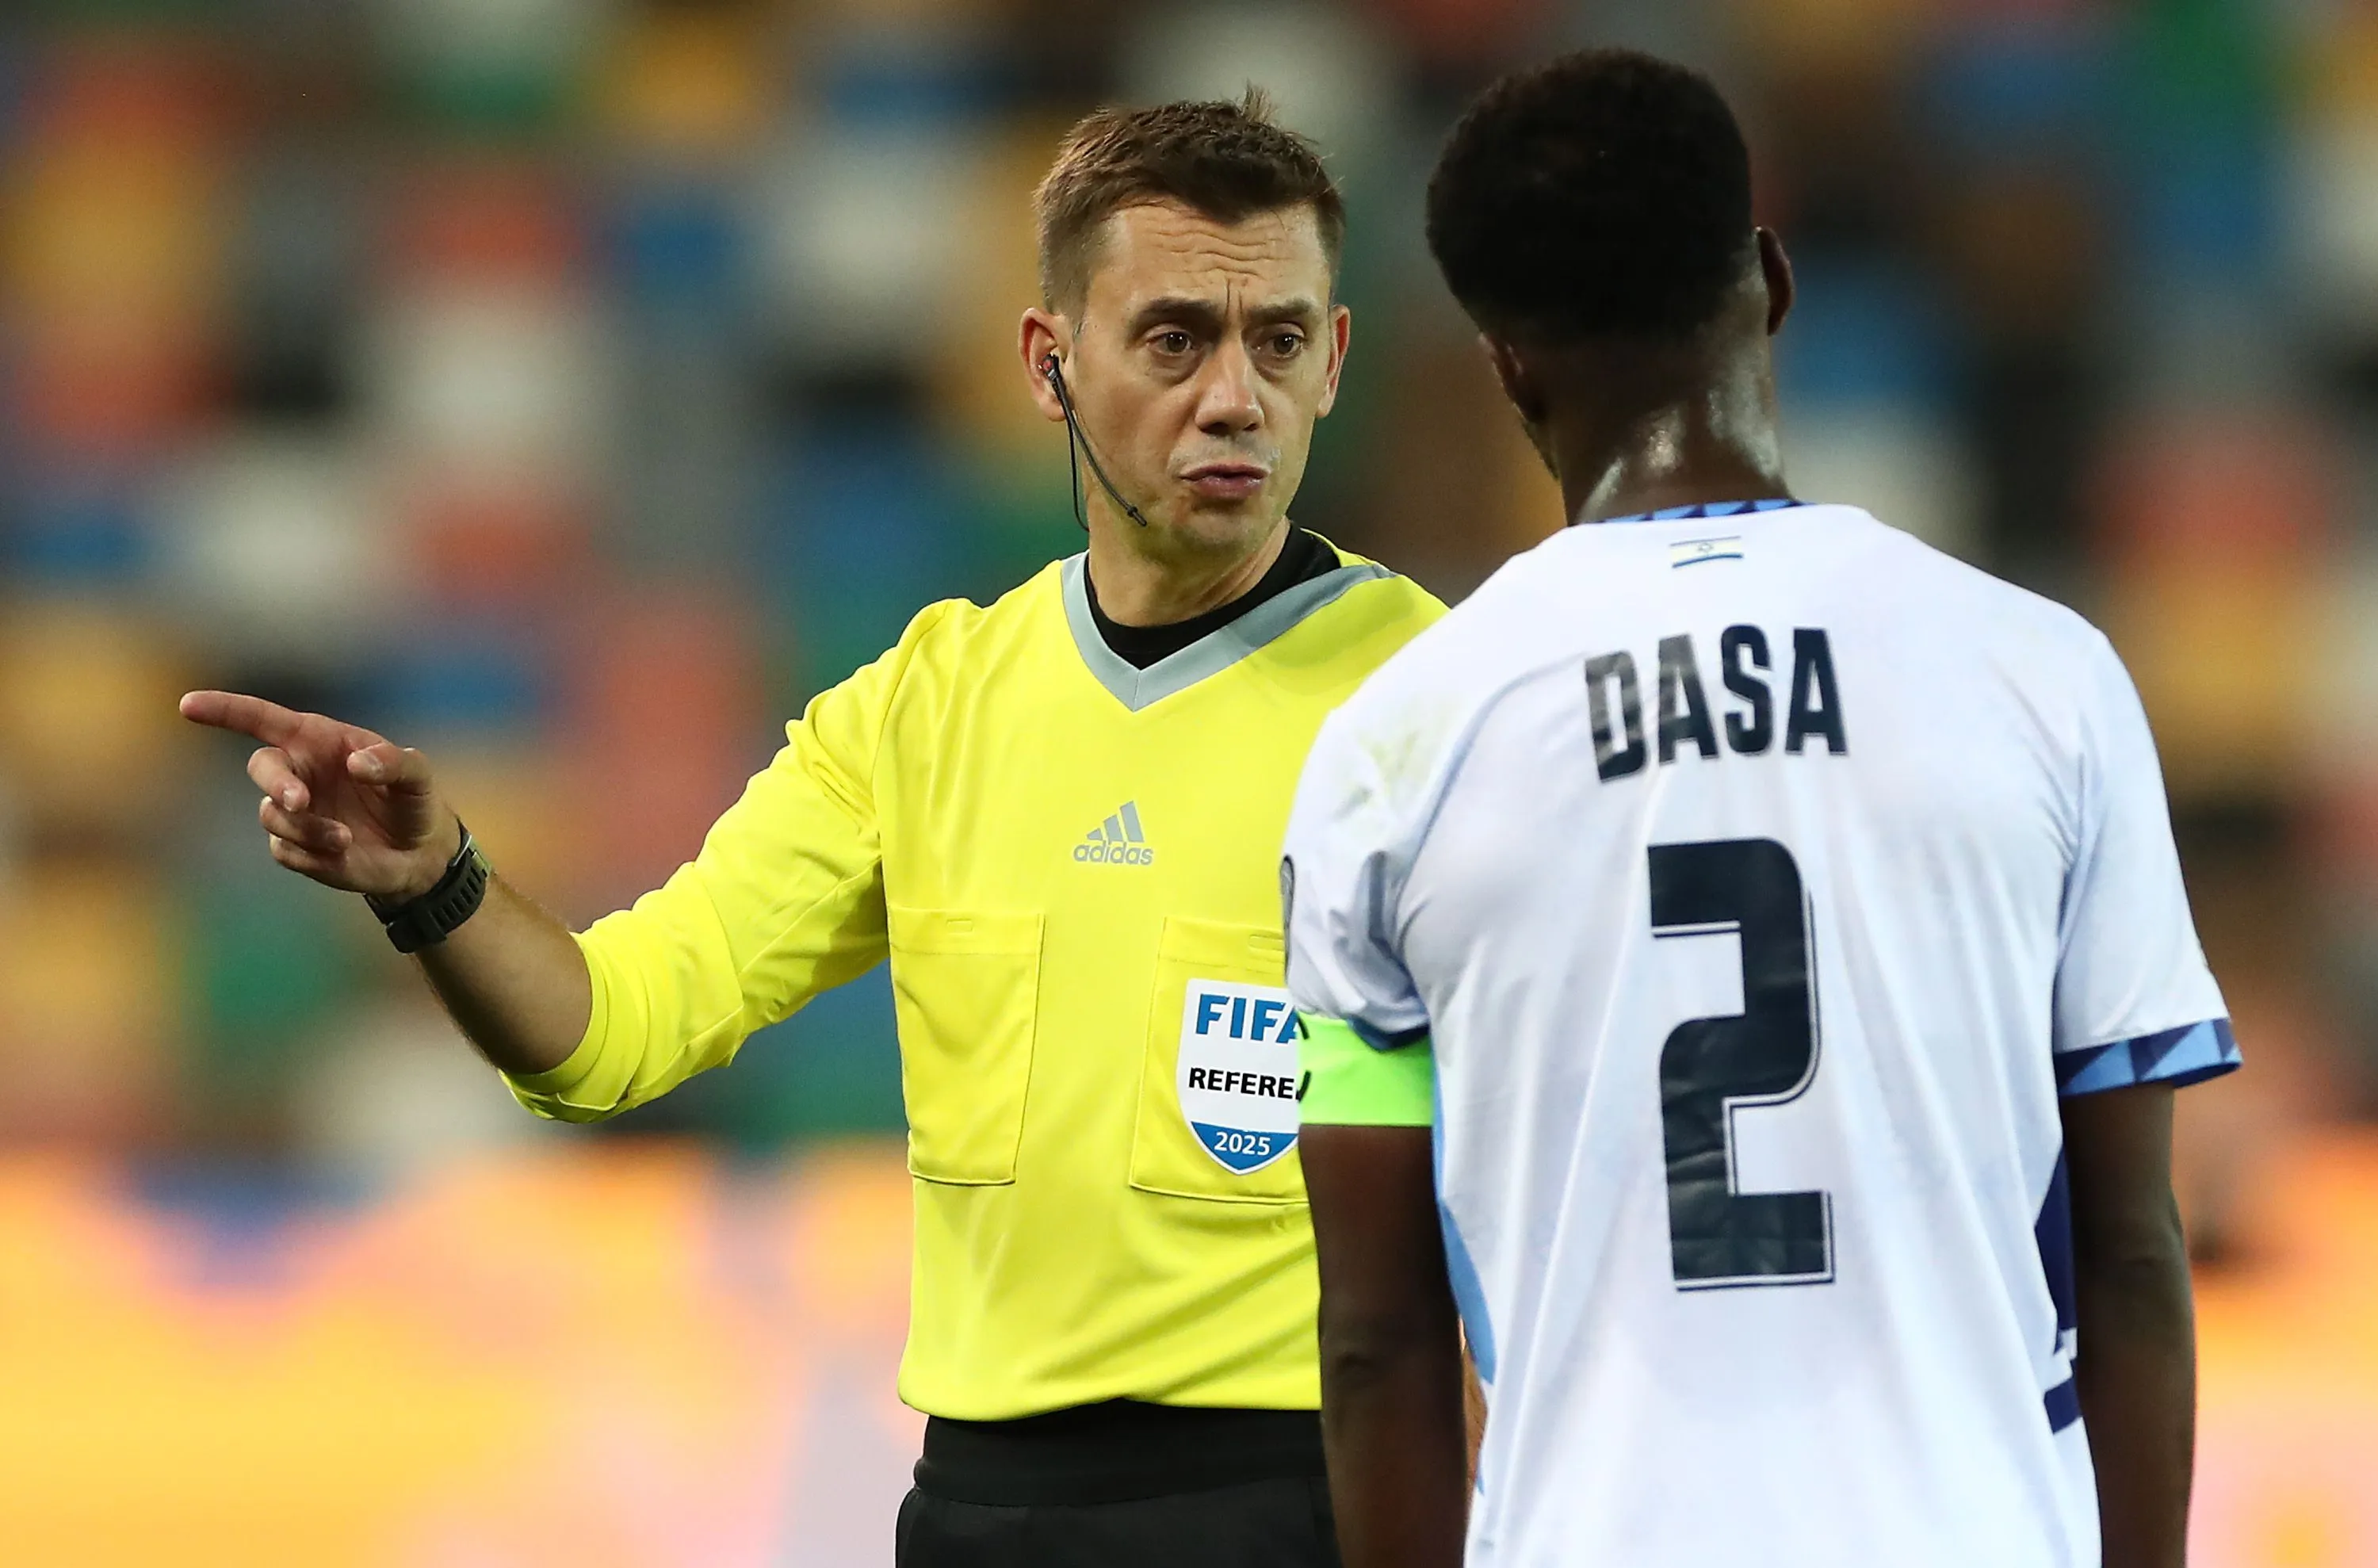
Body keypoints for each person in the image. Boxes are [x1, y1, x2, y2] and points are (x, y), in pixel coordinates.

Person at [182, 94, 1443, 1568]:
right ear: (1049, 362)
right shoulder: (922, 708)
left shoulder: (1434, 704)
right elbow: (612, 1033)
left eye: (1277, 342)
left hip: (1300, 1493)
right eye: (1175, 340)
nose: (1234, 397)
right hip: (980, 1509)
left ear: (1334, 359)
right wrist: (436, 887)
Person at [1280, 49, 2235, 1568]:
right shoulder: (2043, 679)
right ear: (1774, 283)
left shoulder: (1391, 752)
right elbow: (2130, 1257)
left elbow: (1376, 1337)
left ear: (1507, 364)